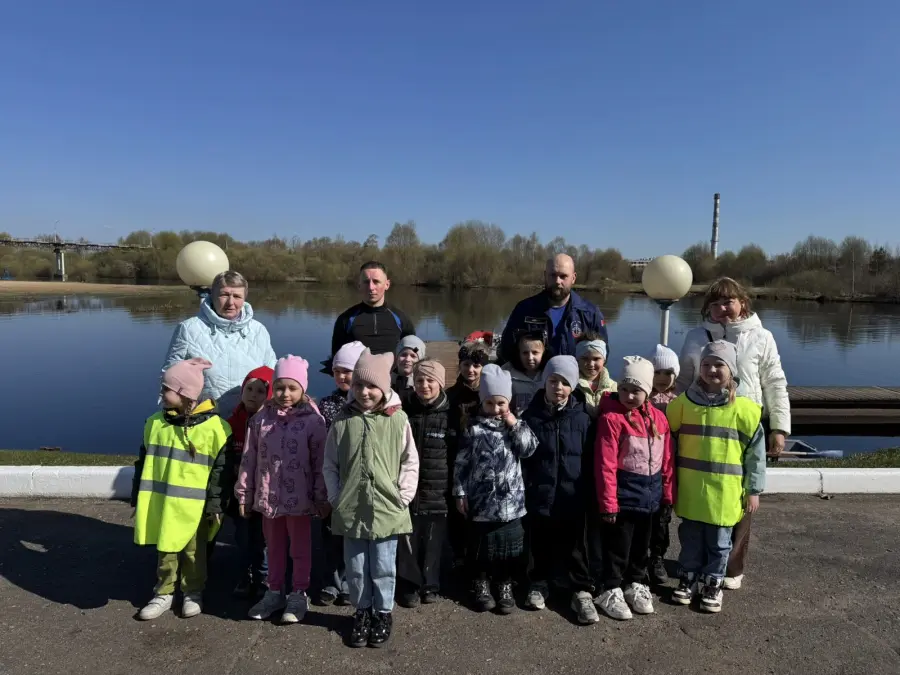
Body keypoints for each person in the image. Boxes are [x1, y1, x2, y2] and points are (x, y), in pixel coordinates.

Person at [675, 277, 789, 590]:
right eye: (715, 304)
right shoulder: (695, 336)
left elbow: (774, 382)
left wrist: (779, 427)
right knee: (702, 497)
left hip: (742, 427)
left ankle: (731, 567)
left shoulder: (761, 337)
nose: (723, 309)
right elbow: (683, 381)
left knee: (740, 499)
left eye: (728, 302)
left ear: (742, 303)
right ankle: (698, 564)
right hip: (701, 429)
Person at [323, 349, 419, 648]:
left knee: (383, 566)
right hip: (351, 506)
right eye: (359, 385)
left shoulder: (398, 419)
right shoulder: (342, 421)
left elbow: (410, 460)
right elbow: (330, 463)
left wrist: (403, 496)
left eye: (372, 386)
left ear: (384, 388)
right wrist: (336, 496)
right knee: (356, 567)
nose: (365, 392)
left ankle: (383, 612)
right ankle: (362, 611)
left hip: (387, 507)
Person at [667, 341, 766, 613]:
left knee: (720, 544)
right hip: (691, 491)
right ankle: (688, 579)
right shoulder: (683, 404)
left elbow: (756, 456)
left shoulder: (745, 410)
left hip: (725, 494)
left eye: (719, 364)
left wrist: (753, 490)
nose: (712, 370)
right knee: (690, 540)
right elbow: (666, 440)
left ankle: (713, 583)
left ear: (731, 369)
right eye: (706, 364)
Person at [132, 358, 232, 621]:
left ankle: (192, 592)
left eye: (167, 389)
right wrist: (136, 495)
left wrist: (215, 504)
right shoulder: (155, 424)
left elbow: (220, 472)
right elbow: (142, 462)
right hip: (163, 504)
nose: (162, 393)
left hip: (194, 508)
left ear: (185, 393)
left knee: (194, 553)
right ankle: (164, 592)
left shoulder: (215, 429)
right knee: (166, 550)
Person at [235, 356, 328, 625]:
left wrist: (321, 497)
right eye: (279, 387)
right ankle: (274, 591)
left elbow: (320, 462)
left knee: (299, 548)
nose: (285, 394)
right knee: (273, 548)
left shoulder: (313, 421)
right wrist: (244, 493)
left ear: (302, 389)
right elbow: (249, 459)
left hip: (299, 499)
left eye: (292, 388)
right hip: (269, 498)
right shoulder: (260, 420)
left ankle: (299, 593)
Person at [453, 364, 539, 615]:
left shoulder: (515, 426)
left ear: (509, 403)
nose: (496, 408)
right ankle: (480, 582)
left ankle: (504, 583)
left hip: (511, 502)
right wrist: (460, 492)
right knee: (482, 547)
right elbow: (461, 464)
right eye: (490, 403)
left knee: (507, 550)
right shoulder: (473, 429)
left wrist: (514, 424)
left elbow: (529, 449)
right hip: (481, 502)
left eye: (501, 403)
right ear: (482, 402)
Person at [521, 356, 599, 625]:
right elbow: (525, 458)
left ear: (573, 385)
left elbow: (590, 458)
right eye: (553, 381)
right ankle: (539, 582)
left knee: (576, 545)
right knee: (540, 541)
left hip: (573, 494)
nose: (558, 387)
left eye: (565, 382)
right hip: (540, 492)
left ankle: (581, 590)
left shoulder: (584, 417)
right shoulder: (531, 416)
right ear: (545, 382)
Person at [594, 357, 674, 621]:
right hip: (623, 497)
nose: (629, 396)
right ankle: (610, 587)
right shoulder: (612, 419)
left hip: (650, 497)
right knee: (618, 546)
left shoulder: (659, 419)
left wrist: (667, 495)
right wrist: (608, 503)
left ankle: (636, 582)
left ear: (648, 391)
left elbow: (666, 460)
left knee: (641, 546)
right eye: (624, 388)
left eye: (636, 390)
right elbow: (605, 464)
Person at [162, 270, 276, 417]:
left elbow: (272, 374)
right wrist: (173, 414)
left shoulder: (258, 330)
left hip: (249, 421)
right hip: (205, 421)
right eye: (224, 295)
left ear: (244, 298)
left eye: (237, 296)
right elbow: (170, 376)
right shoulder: (189, 329)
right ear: (212, 295)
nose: (230, 302)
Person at [397, 359, 450, 608]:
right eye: (419, 380)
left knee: (432, 540)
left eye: (430, 380)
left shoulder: (449, 413)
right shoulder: (404, 410)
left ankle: (430, 583)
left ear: (440, 383)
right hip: (408, 486)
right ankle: (410, 582)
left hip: (438, 488)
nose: (424, 385)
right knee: (407, 538)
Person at [317, 340, 366, 606]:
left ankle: (350, 582)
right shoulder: (326, 404)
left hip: (359, 482)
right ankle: (331, 581)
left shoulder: (369, 404)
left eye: (347, 371)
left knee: (355, 536)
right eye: (337, 371)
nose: (341, 376)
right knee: (332, 534)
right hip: (333, 480)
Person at [499, 254, 608, 364]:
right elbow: (506, 350)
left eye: (563, 276)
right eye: (553, 275)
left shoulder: (590, 313)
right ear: (545, 276)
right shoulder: (524, 309)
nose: (557, 281)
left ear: (573, 278)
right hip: (535, 375)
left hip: (575, 375)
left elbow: (602, 353)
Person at [226, 366, 274, 599]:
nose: (253, 395)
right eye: (249, 389)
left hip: (265, 493)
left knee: (263, 539)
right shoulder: (231, 423)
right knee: (243, 536)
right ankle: (245, 573)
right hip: (240, 493)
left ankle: (263, 576)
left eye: (260, 391)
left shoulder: (274, 424)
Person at [446, 340, 492, 565]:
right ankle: (458, 555)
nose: (470, 370)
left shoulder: (489, 395)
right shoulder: (451, 395)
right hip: (456, 460)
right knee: (457, 512)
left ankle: (478, 558)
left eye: (476, 365)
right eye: (466, 364)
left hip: (483, 462)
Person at [329, 261, 416, 358]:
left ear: (387, 284)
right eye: (366, 282)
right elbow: (336, 358)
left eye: (376, 281)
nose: (371, 287)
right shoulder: (345, 319)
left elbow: (413, 353)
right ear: (359, 285)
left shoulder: (401, 318)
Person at [645, 344, 679, 585]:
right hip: (644, 465)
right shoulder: (640, 398)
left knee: (662, 518)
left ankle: (657, 556)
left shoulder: (680, 402)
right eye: (656, 372)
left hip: (669, 467)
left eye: (668, 373)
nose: (662, 378)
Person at [502, 329, 550, 416]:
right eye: (525, 353)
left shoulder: (551, 373)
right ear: (518, 353)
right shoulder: (506, 372)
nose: (530, 358)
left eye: (535, 352)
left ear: (544, 353)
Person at [574, 335, 616, 418]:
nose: (591, 364)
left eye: (596, 359)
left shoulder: (614, 387)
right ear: (577, 359)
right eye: (585, 358)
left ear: (604, 360)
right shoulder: (570, 385)